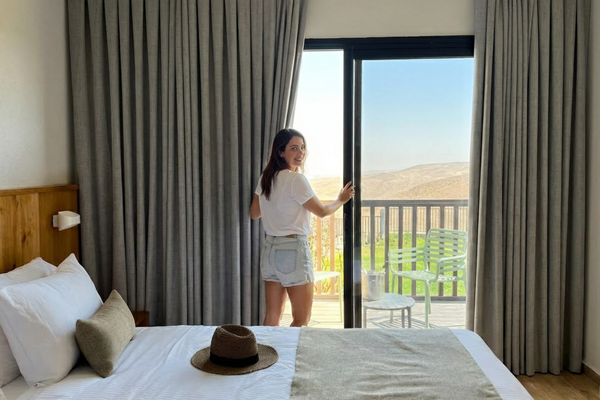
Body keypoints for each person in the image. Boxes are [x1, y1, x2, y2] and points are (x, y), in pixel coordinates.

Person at [250, 128, 354, 327]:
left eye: (303, 147)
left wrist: (277, 208)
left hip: (270, 250)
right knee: (301, 319)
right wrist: (341, 200)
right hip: (293, 249)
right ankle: (291, 349)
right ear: (281, 152)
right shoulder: (296, 180)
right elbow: (322, 211)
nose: (301, 153)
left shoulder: (266, 178)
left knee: (272, 317)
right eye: (294, 148)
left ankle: (268, 348)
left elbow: (255, 213)